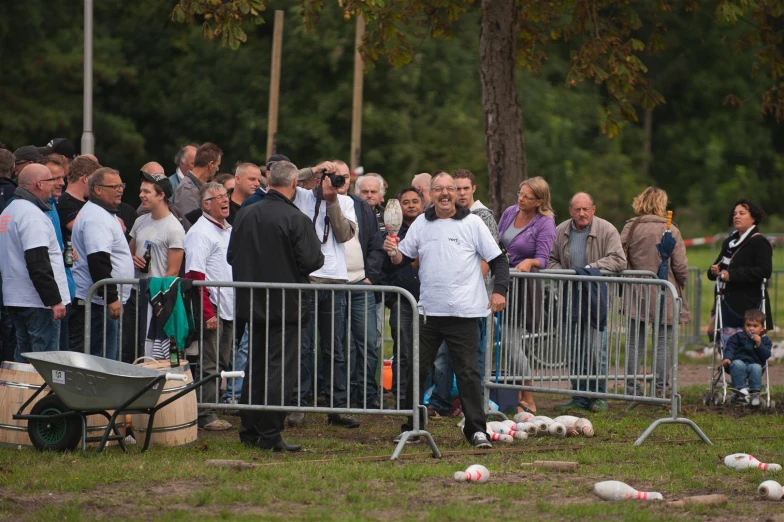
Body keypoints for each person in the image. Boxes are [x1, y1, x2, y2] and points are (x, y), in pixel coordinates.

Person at [384, 172, 510, 449]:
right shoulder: (421, 224)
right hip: (429, 313)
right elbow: (401, 258)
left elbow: (499, 260)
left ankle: (477, 431)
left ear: (457, 193)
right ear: (430, 193)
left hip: (464, 314)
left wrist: (499, 291)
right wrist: (392, 252)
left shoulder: (473, 223)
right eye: (438, 188)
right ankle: (412, 426)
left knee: (467, 373)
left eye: (449, 189)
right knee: (416, 371)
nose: (444, 193)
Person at [228, 161, 325, 452]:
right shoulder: (295, 218)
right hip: (285, 306)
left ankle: (249, 430)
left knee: (255, 367)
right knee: (279, 370)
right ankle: (270, 433)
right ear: (294, 183)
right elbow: (312, 261)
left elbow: (232, 255)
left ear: (269, 180)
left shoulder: (246, 213)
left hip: (252, 303)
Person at [288, 163, 360, 429]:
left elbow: (343, 234)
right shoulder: (302, 196)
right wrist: (313, 170)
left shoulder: (345, 202)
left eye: (340, 177)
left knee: (335, 347)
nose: (336, 181)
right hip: (307, 279)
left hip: (335, 280)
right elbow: (285, 179)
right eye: (331, 176)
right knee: (303, 347)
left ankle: (337, 407)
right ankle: (298, 406)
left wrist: (332, 201)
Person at [549, 192, 626, 412]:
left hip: (596, 297)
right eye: (577, 209)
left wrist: (590, 269)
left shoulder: (607, 229)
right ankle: (578, 396)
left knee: (596, 348)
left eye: (585, 209)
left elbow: (619, 260)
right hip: (569, 295)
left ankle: (599, 396)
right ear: (570, 211)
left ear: (593, 209)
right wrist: (567, 274)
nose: (581, 213)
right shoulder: (560, 230)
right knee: (573, 347)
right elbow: (550, 259)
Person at [620, 187, 690, 396]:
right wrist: (679, 284)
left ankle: (632, 387)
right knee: (662, 343)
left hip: (636, 289)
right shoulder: (671, 229)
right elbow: (680, 266)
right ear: (662, 204)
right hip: (664, 288)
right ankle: (660, 388)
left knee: (634, 342)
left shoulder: (631, 227)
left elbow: (620, 258)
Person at [497, 176, 556, 414]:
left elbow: (544, 259)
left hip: (522, 289)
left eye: (527, 197)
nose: (521, 199)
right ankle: (515, 395)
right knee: (504, 343)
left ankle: (528, 396)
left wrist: (530, 261)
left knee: (511, 343)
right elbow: (498, 242)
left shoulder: (545, 222)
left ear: (539, 201)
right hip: (501, 281)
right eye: (520, 194)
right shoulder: (510, 212)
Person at [0, 164, 70, 358]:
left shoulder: (9, 211)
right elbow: (38, 262)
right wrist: (54, 300)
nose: (57, 184)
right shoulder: (32, 216)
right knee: (44, 361)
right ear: (39, 184)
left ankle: (26, 390)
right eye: (52, 180)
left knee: (23, 356)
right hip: (38, 302)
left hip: (16, 297)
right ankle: (39, 390)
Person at [183, 182, 235, 431]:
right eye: (218, 197)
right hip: (213, 306)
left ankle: (211, 406)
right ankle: (205, 413)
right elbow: (195, 275)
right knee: (210, 362)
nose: (225, 200)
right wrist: (207, 312)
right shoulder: (199, 233)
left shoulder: (226, 229)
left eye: (226, 195)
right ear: (205, 204)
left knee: (221, 361)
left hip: (228, 306)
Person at [335, 161, 386, 409]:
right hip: (330, 286)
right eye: (337, 177)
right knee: (335, 345)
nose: (342, 181)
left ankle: (367, 395)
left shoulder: (361, 207)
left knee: (367, 343)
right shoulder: (318, 203)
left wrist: (370, 276)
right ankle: (338, 397)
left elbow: (377, 244)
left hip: (360, 284)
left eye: (345, 176)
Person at [71, 167, 135, 360]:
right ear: (98, 190)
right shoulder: (96, 217)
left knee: (105, 357)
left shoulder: (103, 213)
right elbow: (98, 260)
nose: (120, 189)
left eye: (121, 185)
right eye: (114, 186)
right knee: (101, 360)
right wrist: (111, 298)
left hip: (102, 302)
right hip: (99, 304)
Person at [708, 199, 774, 343]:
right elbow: (715, 270)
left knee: (748, 348)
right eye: (735, 213)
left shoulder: (759, 242)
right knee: (727, 346)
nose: (736, 216)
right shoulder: (729, 242)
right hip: (726, 302)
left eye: (742, 213)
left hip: (750, 304)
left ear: (753, 218)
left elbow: (764, 271)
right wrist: (714, 270)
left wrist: (732, 275)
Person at [381, 187, 424, 406]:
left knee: (427, 352)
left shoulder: (429, 228)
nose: (411, 205)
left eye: (415, 201)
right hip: (401, 302)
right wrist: (392, 299)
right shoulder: (390, 234)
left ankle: (422, 396)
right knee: (403, 351)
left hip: (428, 302)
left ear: (423, 204)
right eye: (405, 202)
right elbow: (382, 268)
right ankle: (400, 395)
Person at [722, 309, 772, 406]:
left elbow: (766, 355)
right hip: (738, 362)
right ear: (744, 326)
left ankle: (755, 394)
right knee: (737, 364)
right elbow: (730, 348)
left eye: (755, 326)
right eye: (748, 325)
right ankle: (741, 390)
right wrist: (727, 358)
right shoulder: (737, 337)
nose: (751, 329)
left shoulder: (765, 340)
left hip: (755, 364)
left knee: (756, 367)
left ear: (762, 328)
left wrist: (759, 344)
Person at [56, 156, 101, 242]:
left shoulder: (88, 202)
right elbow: (85, 230)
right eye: (94, 180)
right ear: (85, 178)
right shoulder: (64, 203)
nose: (96, 185)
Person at [174, 142, 222, 217]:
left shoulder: (199, 187)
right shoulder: (187, 190)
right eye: (217, 165)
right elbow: (191, 225)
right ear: (211, 164)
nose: (218, 169)